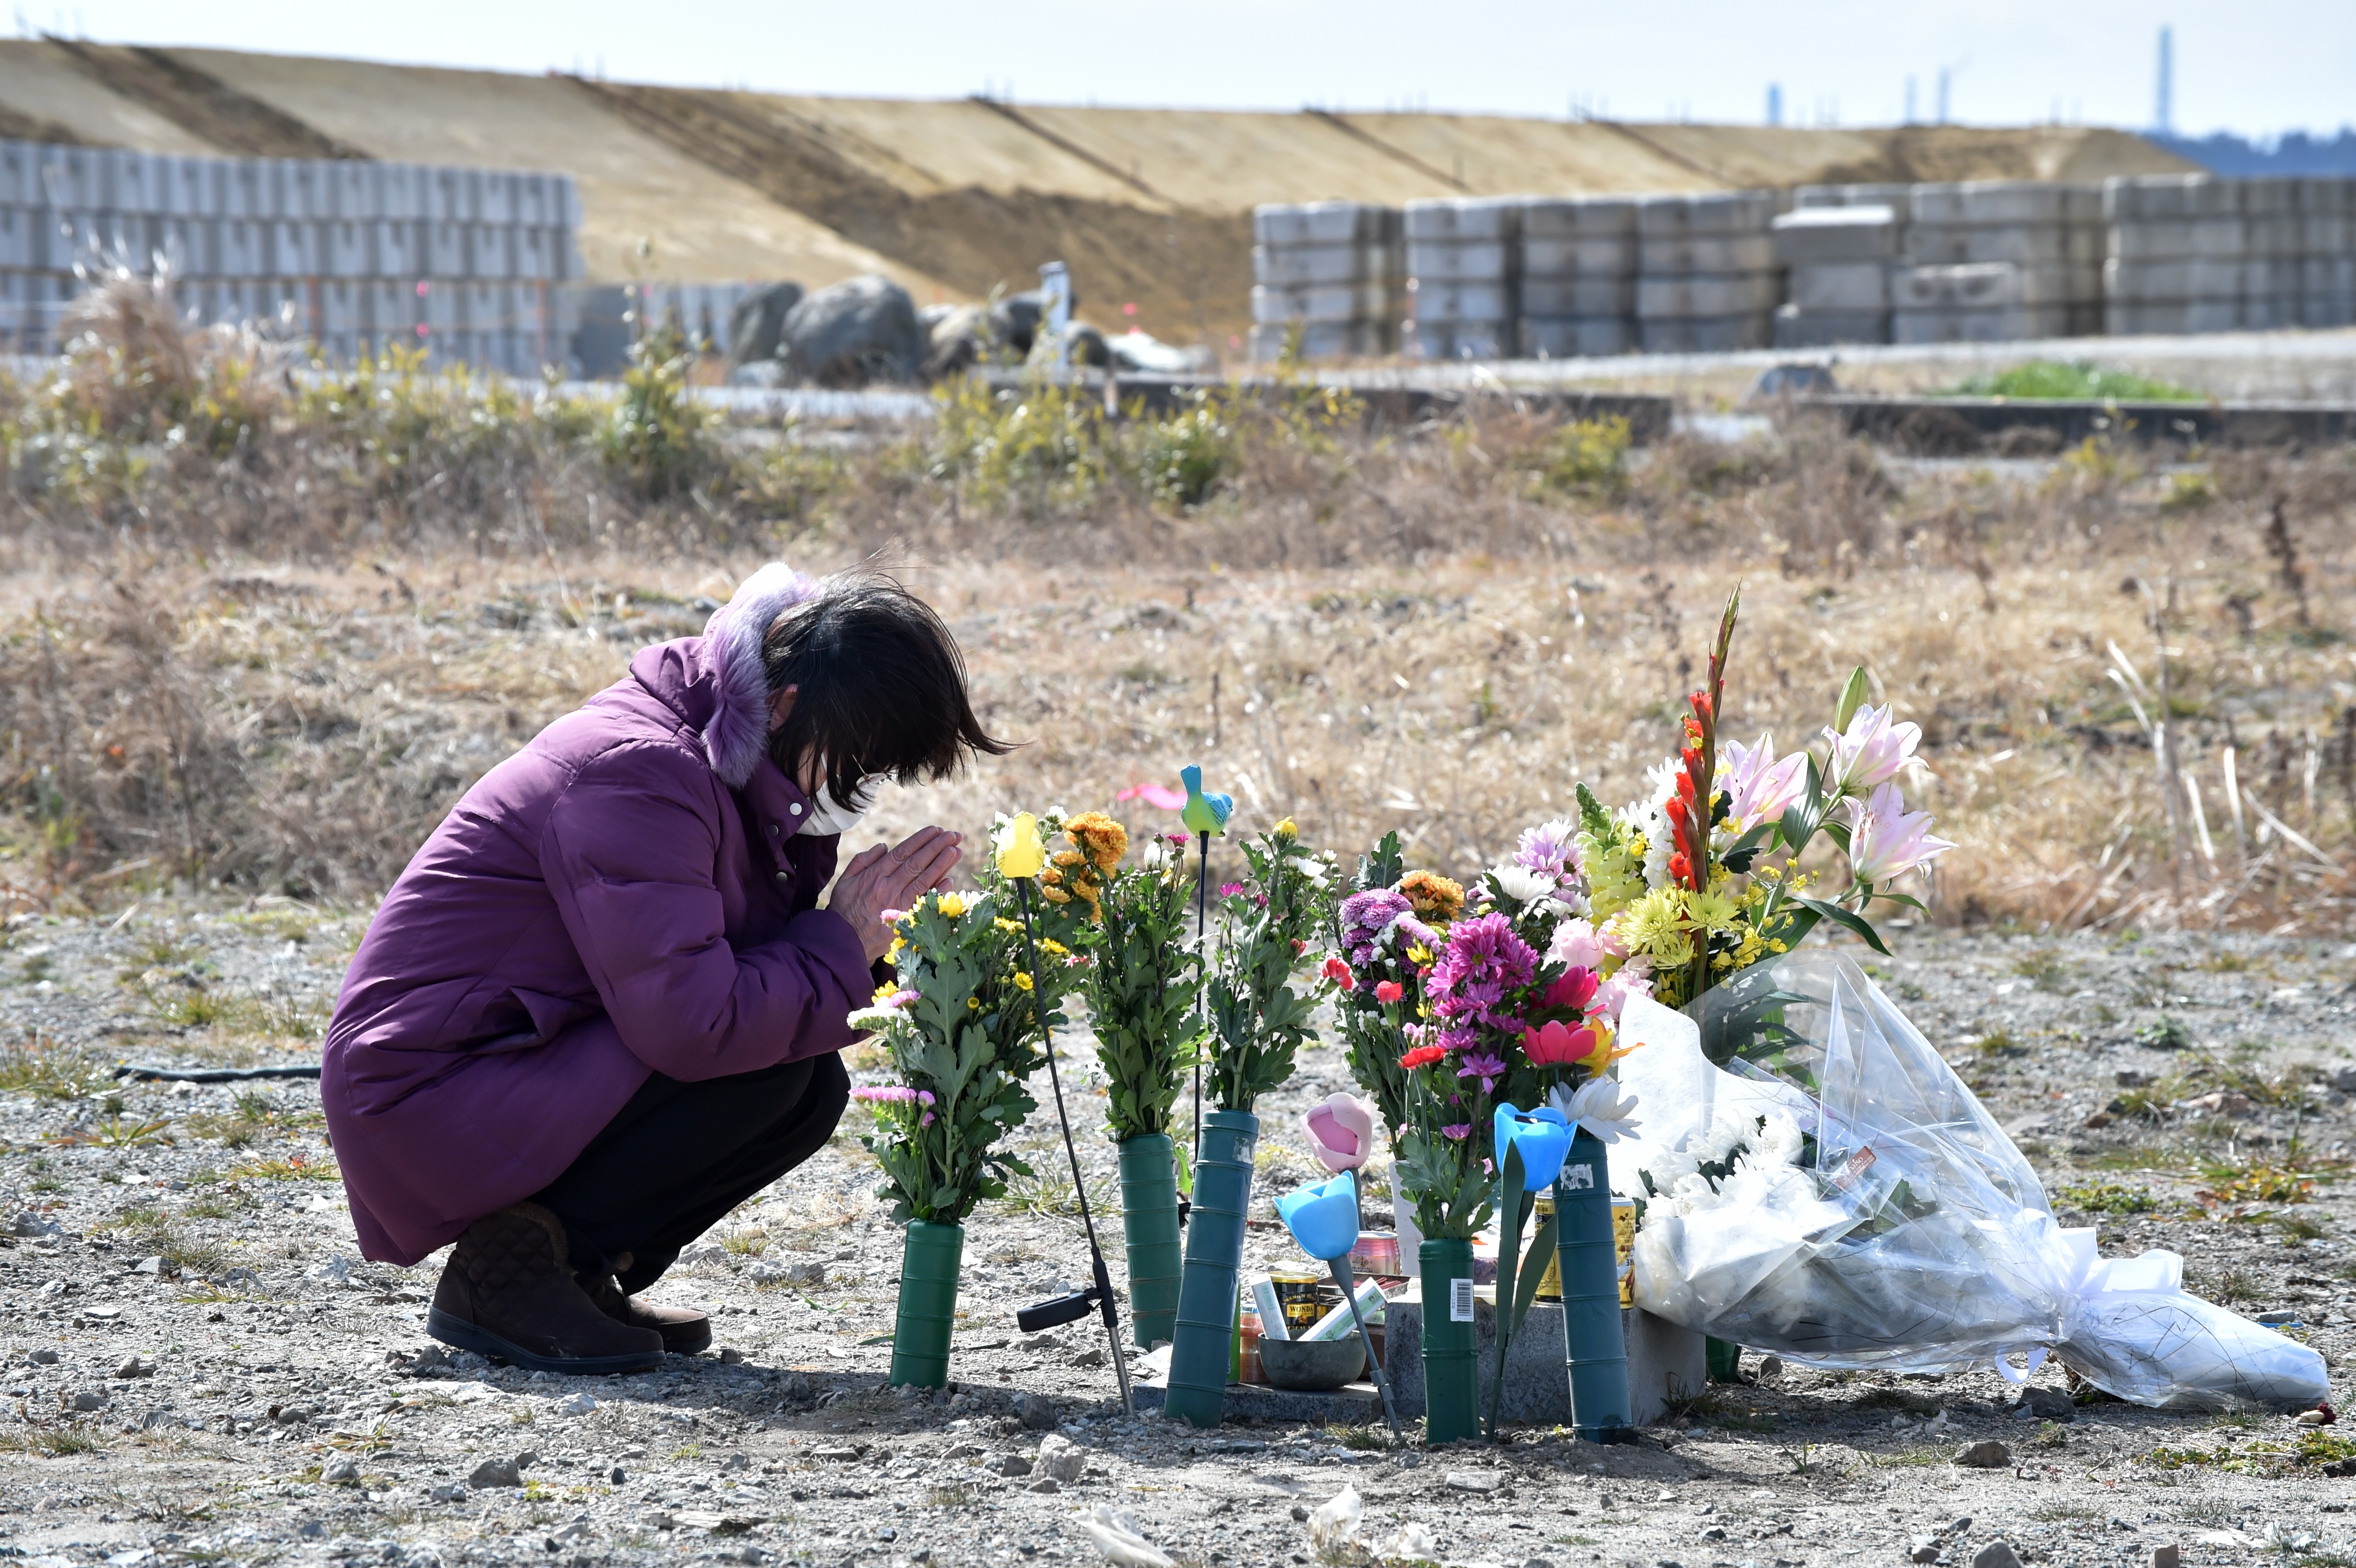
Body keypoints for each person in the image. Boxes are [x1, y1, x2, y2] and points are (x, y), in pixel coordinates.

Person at [322, 564, 1007, 1374]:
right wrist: (842, 941)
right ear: (787, 707)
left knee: (805, 1083)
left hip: (509, 1060)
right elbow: (694, 1022)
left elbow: (748, 963)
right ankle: (506, 1281)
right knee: (764, 1073)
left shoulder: (736, 764)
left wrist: (897, 945)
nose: (865, 788)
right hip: (425, 1089)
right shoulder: (641, 774)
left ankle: (568, 1270)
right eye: (860, 761)